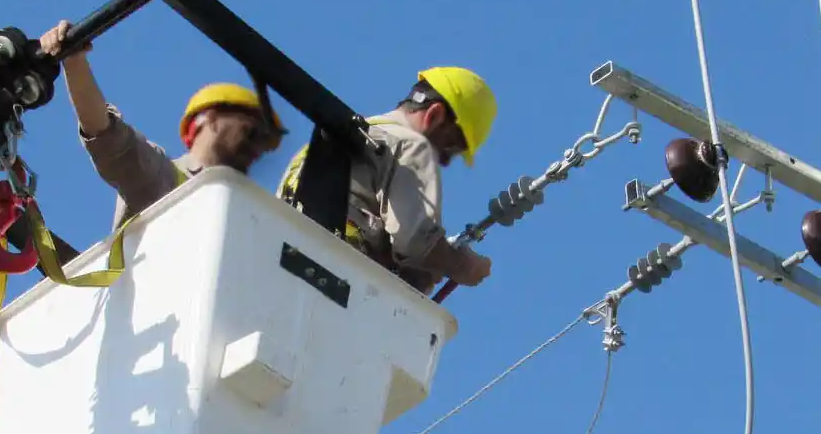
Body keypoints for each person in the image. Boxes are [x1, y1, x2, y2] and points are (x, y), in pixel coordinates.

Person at [39, 20, 287, 229]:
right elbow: (106, 137)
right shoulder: (165, 179)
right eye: (252, 132)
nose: (257, 148)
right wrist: (73, 60)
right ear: (208, 119)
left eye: (264, 142)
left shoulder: (246, 216)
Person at [277, 66, 495, 294]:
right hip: (332, 279)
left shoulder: (322, 146)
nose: (446, 162)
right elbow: (416, 245)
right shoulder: (411, 145)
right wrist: (463, 265)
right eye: (451, 147)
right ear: (435, 115)